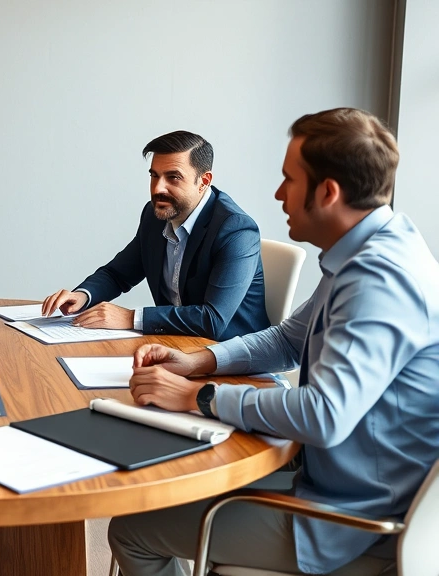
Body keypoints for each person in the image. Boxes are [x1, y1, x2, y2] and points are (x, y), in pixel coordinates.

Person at [108, 108, 439, 575]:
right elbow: (287, 340)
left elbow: (324, 416)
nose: (278, 194)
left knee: (132, 528)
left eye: (289, 180)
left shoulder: (379, 281)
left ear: (327, 192)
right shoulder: (371, 249)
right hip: (332, 475)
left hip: (351, 521)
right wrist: (196, 363)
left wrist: (199, 397)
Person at [41, 131, 270, 341]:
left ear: (204, 181)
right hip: (175, 347)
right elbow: (118, 274)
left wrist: (130, 318)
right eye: (154, 175)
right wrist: (83, 296)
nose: (158, 188)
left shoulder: (236, 230)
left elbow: (212, 320)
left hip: (235, 358)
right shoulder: (154, 215)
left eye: (173, 177)